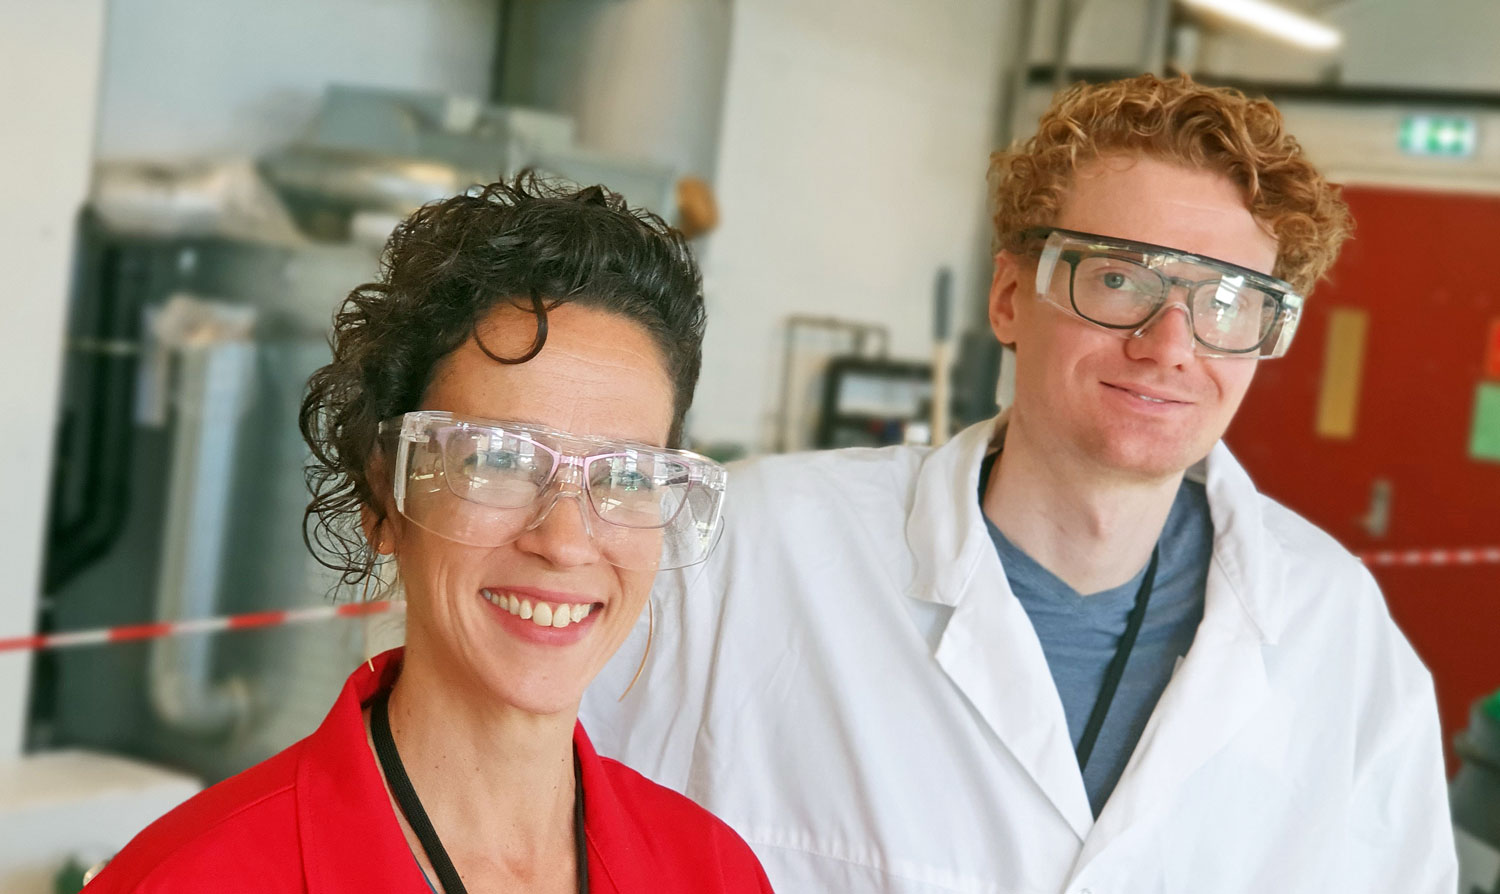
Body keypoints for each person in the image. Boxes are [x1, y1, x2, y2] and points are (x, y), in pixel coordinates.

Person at [580, 74, 1458, 892]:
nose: (1171, 344)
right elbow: (531, 813)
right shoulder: (747, 552)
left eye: (1227, 301)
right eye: (1118, 278)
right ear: (1008, 296)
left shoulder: (1338, 633)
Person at [86, 176, 774, 893]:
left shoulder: (712, 870)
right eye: (501, 460)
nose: (566, 541)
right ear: (384, 496)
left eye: (627, 474)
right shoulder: (193, 879)